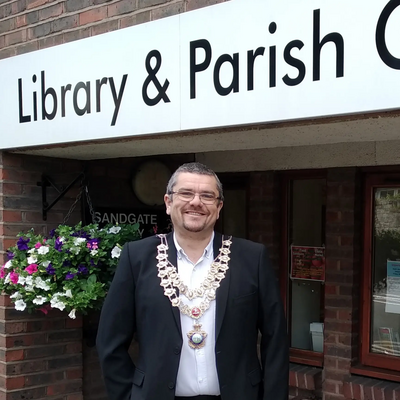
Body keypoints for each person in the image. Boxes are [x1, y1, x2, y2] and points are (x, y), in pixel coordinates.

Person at [96, 162, 289, 400]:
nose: (196, 202)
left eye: (207, 196)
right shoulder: (137, 258)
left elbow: (276, 339)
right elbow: (110, 341)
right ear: (168, 202)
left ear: (219, 208)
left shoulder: (251, 257)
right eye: (186, 193)